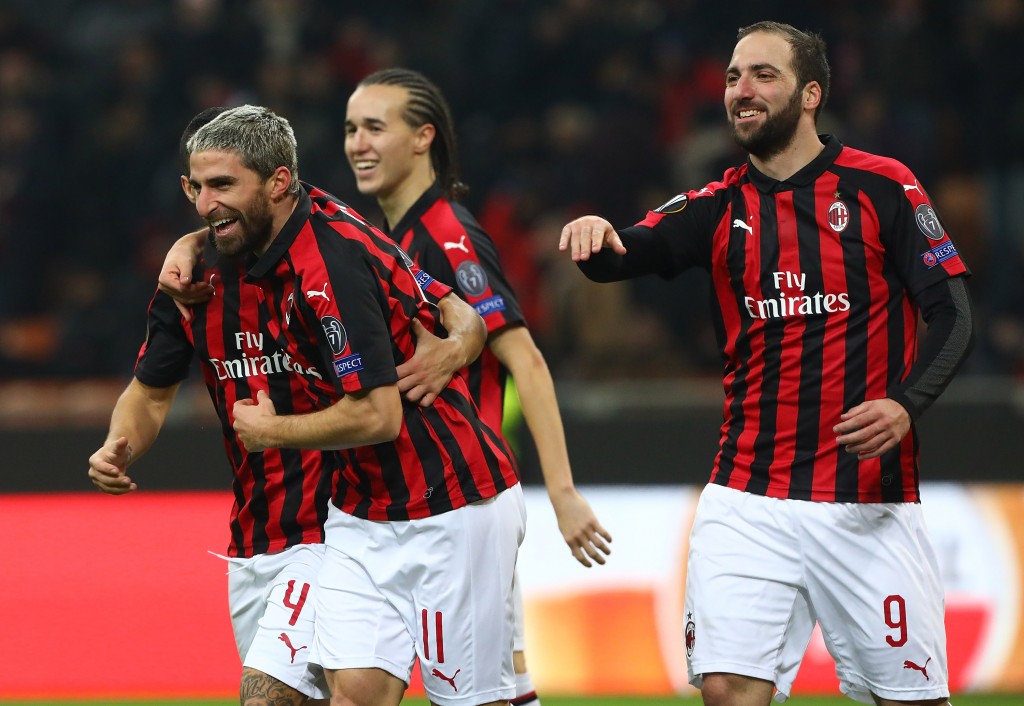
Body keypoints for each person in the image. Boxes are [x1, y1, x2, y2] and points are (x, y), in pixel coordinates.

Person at [161, 68, 614, 706]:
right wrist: (193, 241)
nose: (358, 143)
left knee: (489, 692)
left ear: (423, 138)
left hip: (455, 494)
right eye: (350, 128)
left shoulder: (437, 235)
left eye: (375, 127)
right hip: (362, 509)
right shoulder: (352, 224)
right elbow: (447, 309)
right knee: (356, 692)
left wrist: (561, 491)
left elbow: (519, 358)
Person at [558, 20, 972, 706]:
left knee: (911, 700)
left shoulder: (882, 186)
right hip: (747, 498)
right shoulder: (717, 205)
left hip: (866, 501)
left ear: (811, 94)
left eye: (762, 75)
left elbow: (954, 313)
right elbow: (621, 255)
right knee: (727, 690)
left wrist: (907, 404)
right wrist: (596, 236)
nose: (740, 90)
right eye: (732, 77)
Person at [87, 107, 487, 706]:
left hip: (334, 528)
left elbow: (456, 311)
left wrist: (456, 347)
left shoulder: (332, 255)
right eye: (196, 188)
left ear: (276, 182)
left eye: (222, 185)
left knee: (271, 697)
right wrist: (119, 445)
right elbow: (150, 389)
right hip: (254, 532)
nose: (204, 204)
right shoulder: (191, 279)